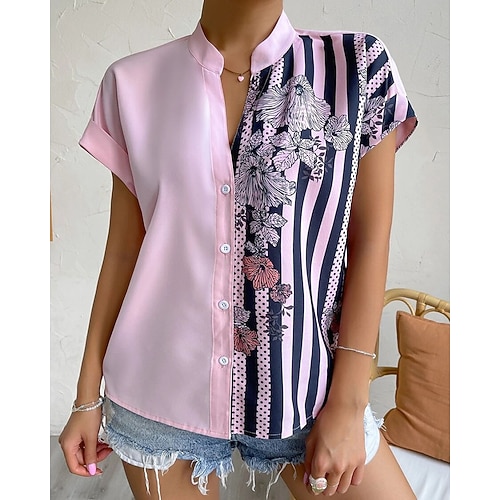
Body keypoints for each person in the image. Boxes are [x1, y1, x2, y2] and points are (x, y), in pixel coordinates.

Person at [58, 0, 418, 498]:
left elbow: (370, 239)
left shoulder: (355, 69)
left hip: (306, 394)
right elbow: (124, 250)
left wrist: (350, 402)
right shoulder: (131, 83)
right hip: (157, 394)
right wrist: (86, 397)